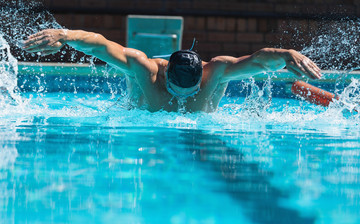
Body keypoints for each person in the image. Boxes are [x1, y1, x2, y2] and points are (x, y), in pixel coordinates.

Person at [23, 29, 322, 112]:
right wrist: (66, 36)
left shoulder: (214, 71)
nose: (180, 99)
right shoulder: (144, 68)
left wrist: (285, 54)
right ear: (165, 75)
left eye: (190, 91)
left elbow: (258, 60)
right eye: (174, 90)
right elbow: (101, 46)